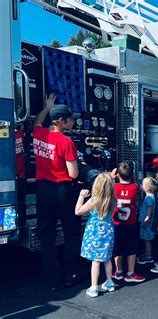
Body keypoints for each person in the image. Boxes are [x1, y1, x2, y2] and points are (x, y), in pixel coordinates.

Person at [32, 94, 81, 291]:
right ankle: (72, 275)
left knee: (46, 236)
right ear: (61, 121)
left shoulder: (39, 134)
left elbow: (37, 121)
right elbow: (73, 172)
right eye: (70, 119)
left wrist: (46, 107)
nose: (73, 121)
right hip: (62, 190)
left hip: (42, 190)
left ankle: (54, 279)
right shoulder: (66, 142)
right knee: (71, 234)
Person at [75, 173, 117, 298]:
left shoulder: (94, 200)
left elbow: (78, 211)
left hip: (95, 232)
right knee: (107, 258)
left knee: (96, 261)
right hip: (108, 230)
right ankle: (109, 282)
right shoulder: (113, 200)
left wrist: (81, 196)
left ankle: (94, 287)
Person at [111, 162, 145, 283]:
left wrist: (112, 176)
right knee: (131, 248)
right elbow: (142, 188)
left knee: (117, 247)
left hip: (116, 223)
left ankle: (118, 270)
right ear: (132, 175)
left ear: (118, 175)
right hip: (130, 223)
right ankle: (130, 273)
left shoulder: (113, 187)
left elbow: (107, 184)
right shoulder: (135, 187)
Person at [137, 177, 158, 265]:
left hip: (147, 224)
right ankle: (147, 254)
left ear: (147, 188)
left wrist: (146, 220)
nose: (141, 186)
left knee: (147, 240)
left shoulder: (148, 198)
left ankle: (148, 256)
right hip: (148, 223)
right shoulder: (151, 196)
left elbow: (149, 209)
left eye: (143, 185)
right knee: (147, 240)